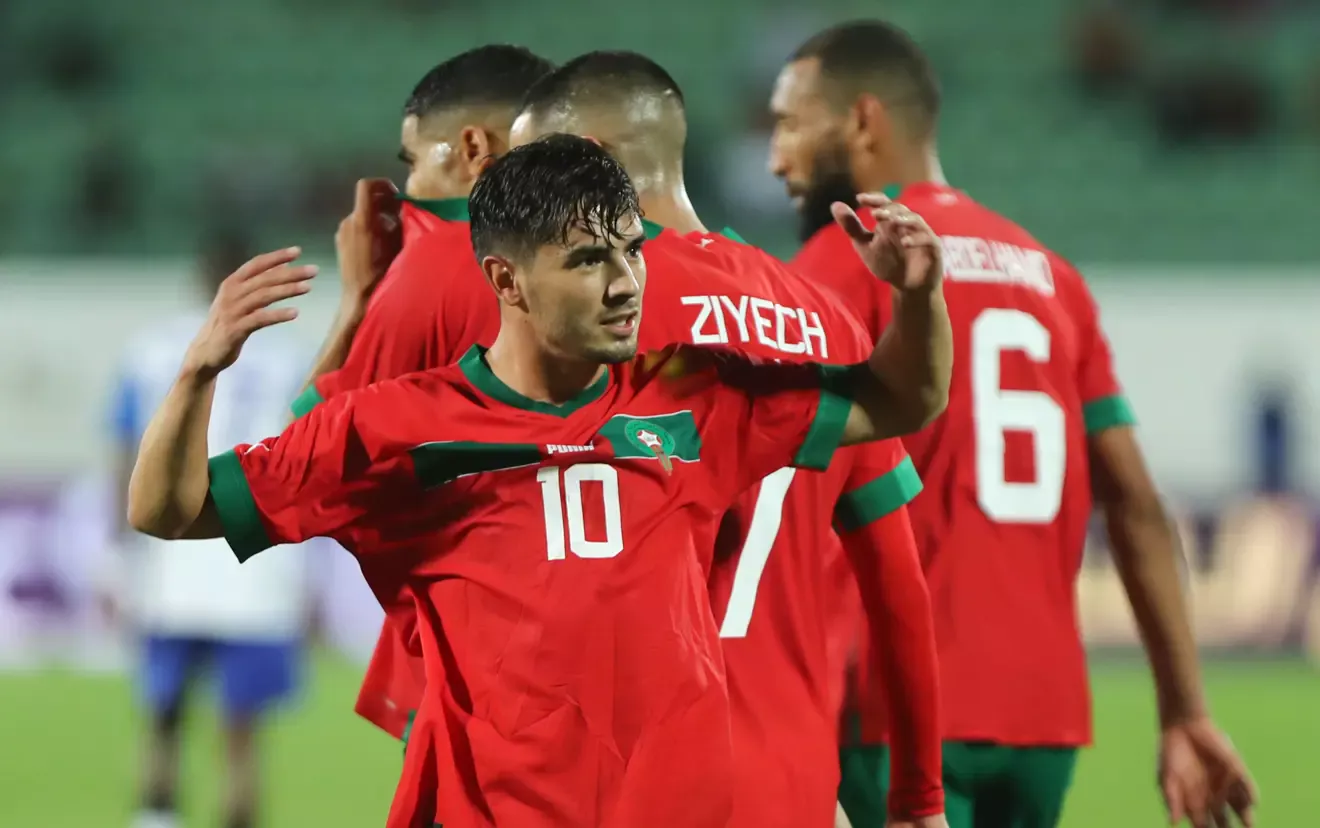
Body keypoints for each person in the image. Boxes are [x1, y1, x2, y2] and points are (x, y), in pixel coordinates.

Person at [125, 134, 951, 828]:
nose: (625, 283)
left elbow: (904, 399)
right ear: (506, 281)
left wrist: (917, 297)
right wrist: (199, 371)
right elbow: (168, 509)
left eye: (630, 248)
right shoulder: (394, 429)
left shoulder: (694, 397)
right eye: (589, 259)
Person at [768, 19, 1258, 828]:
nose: (776, 157)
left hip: (891, 708)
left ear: (861, 121)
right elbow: (1135, 502)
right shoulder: (1050, 276)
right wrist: (1184, 710)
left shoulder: (835, 267)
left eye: (790, 125)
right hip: (1040, 718)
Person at [509, 51, 947, 828]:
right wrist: (919, 798)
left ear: (591, 161)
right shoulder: (826, 318)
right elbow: (897, 584)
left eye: (532, 171)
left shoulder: (589, 323)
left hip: (629, 783)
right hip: (792, 782)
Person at [292, 44, 556, 741]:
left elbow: (306, 463)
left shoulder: (437, 265)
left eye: (414, 162)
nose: (408, 188)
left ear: (472, 150)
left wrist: (357, 304)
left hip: (482, 670)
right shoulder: (638, 263)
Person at [106, 229, 312, 828]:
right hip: (258, 562)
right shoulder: (293, 358)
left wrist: (116, 554)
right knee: (242, 736)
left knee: (163, 718)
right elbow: (310, 461)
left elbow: (125, 454)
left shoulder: (152, 350)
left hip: (168, 562)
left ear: (200, 278)